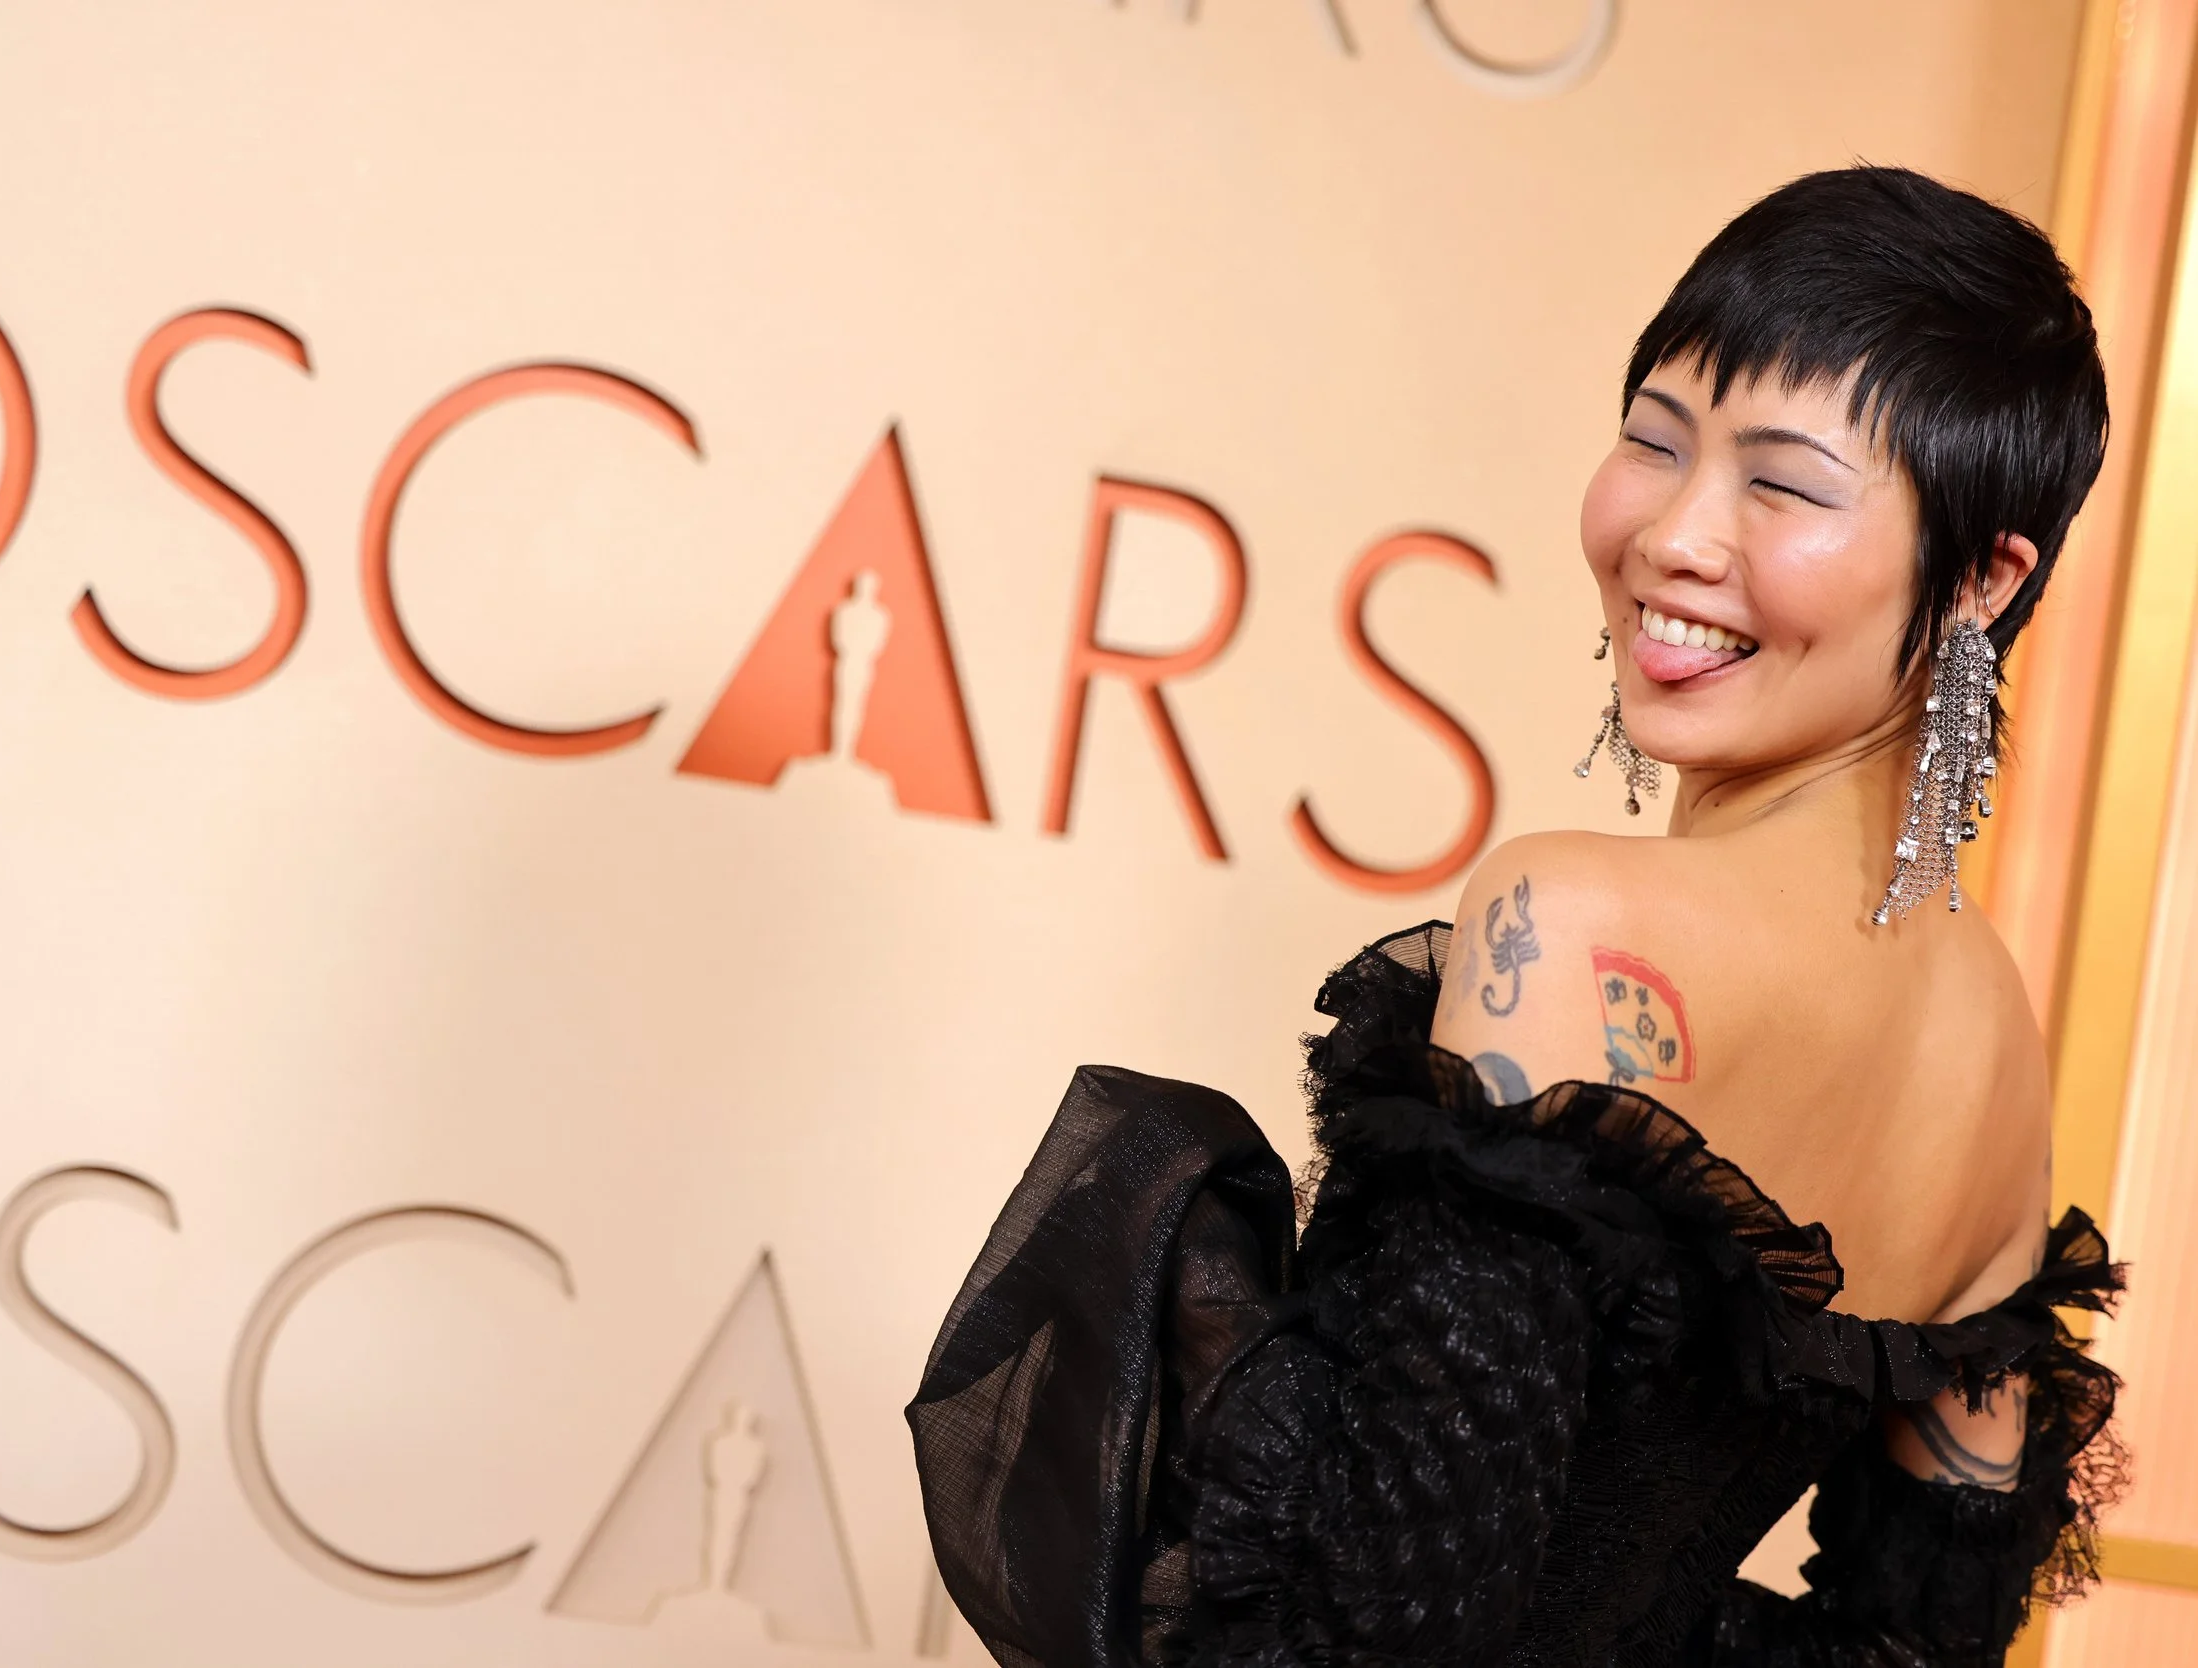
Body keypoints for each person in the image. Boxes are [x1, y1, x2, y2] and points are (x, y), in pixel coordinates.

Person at [907, 166, 2126, 1667]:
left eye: (1785, 482)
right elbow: (1920, 1644)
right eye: (1655, 440)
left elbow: (1390, 1632)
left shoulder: (1571, 922)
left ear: (1982, 581)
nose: (1676, 533)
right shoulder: (1995, 1037)